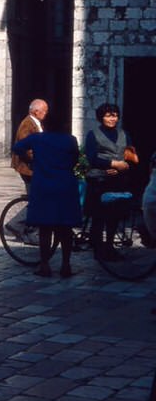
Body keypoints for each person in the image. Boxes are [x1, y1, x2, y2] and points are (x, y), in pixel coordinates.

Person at [12, 128, 81, 277]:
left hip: (44, 183)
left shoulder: (37, 138)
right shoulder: (71, 140)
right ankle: (66, 265)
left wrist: (30, 160)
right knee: (65, 227)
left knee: (45, 227)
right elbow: (75, 158)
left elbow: (17, 147)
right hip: (65, 184)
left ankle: (45, 265)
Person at [84, 102, 137, 258]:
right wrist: (112, 163)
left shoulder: (124, 134)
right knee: (99, 215)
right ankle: (98, 248)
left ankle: (110, 246)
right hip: (99, 179)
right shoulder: (93, 134)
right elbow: (92, 157)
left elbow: (130, 155)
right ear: (102, 117)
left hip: (118, 180)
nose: (112, 119)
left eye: (114, 115)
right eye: (108, 115)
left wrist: (125, 165)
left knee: (114, 215)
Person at [11, 98, 48, 190]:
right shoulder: (27, 124)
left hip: (35, 165)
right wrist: (38, 159)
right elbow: (25, 146)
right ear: (36, 112)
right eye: (45, 111)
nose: (46, 113)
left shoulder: (37, 123)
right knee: (32, 192)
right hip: (27, 167)